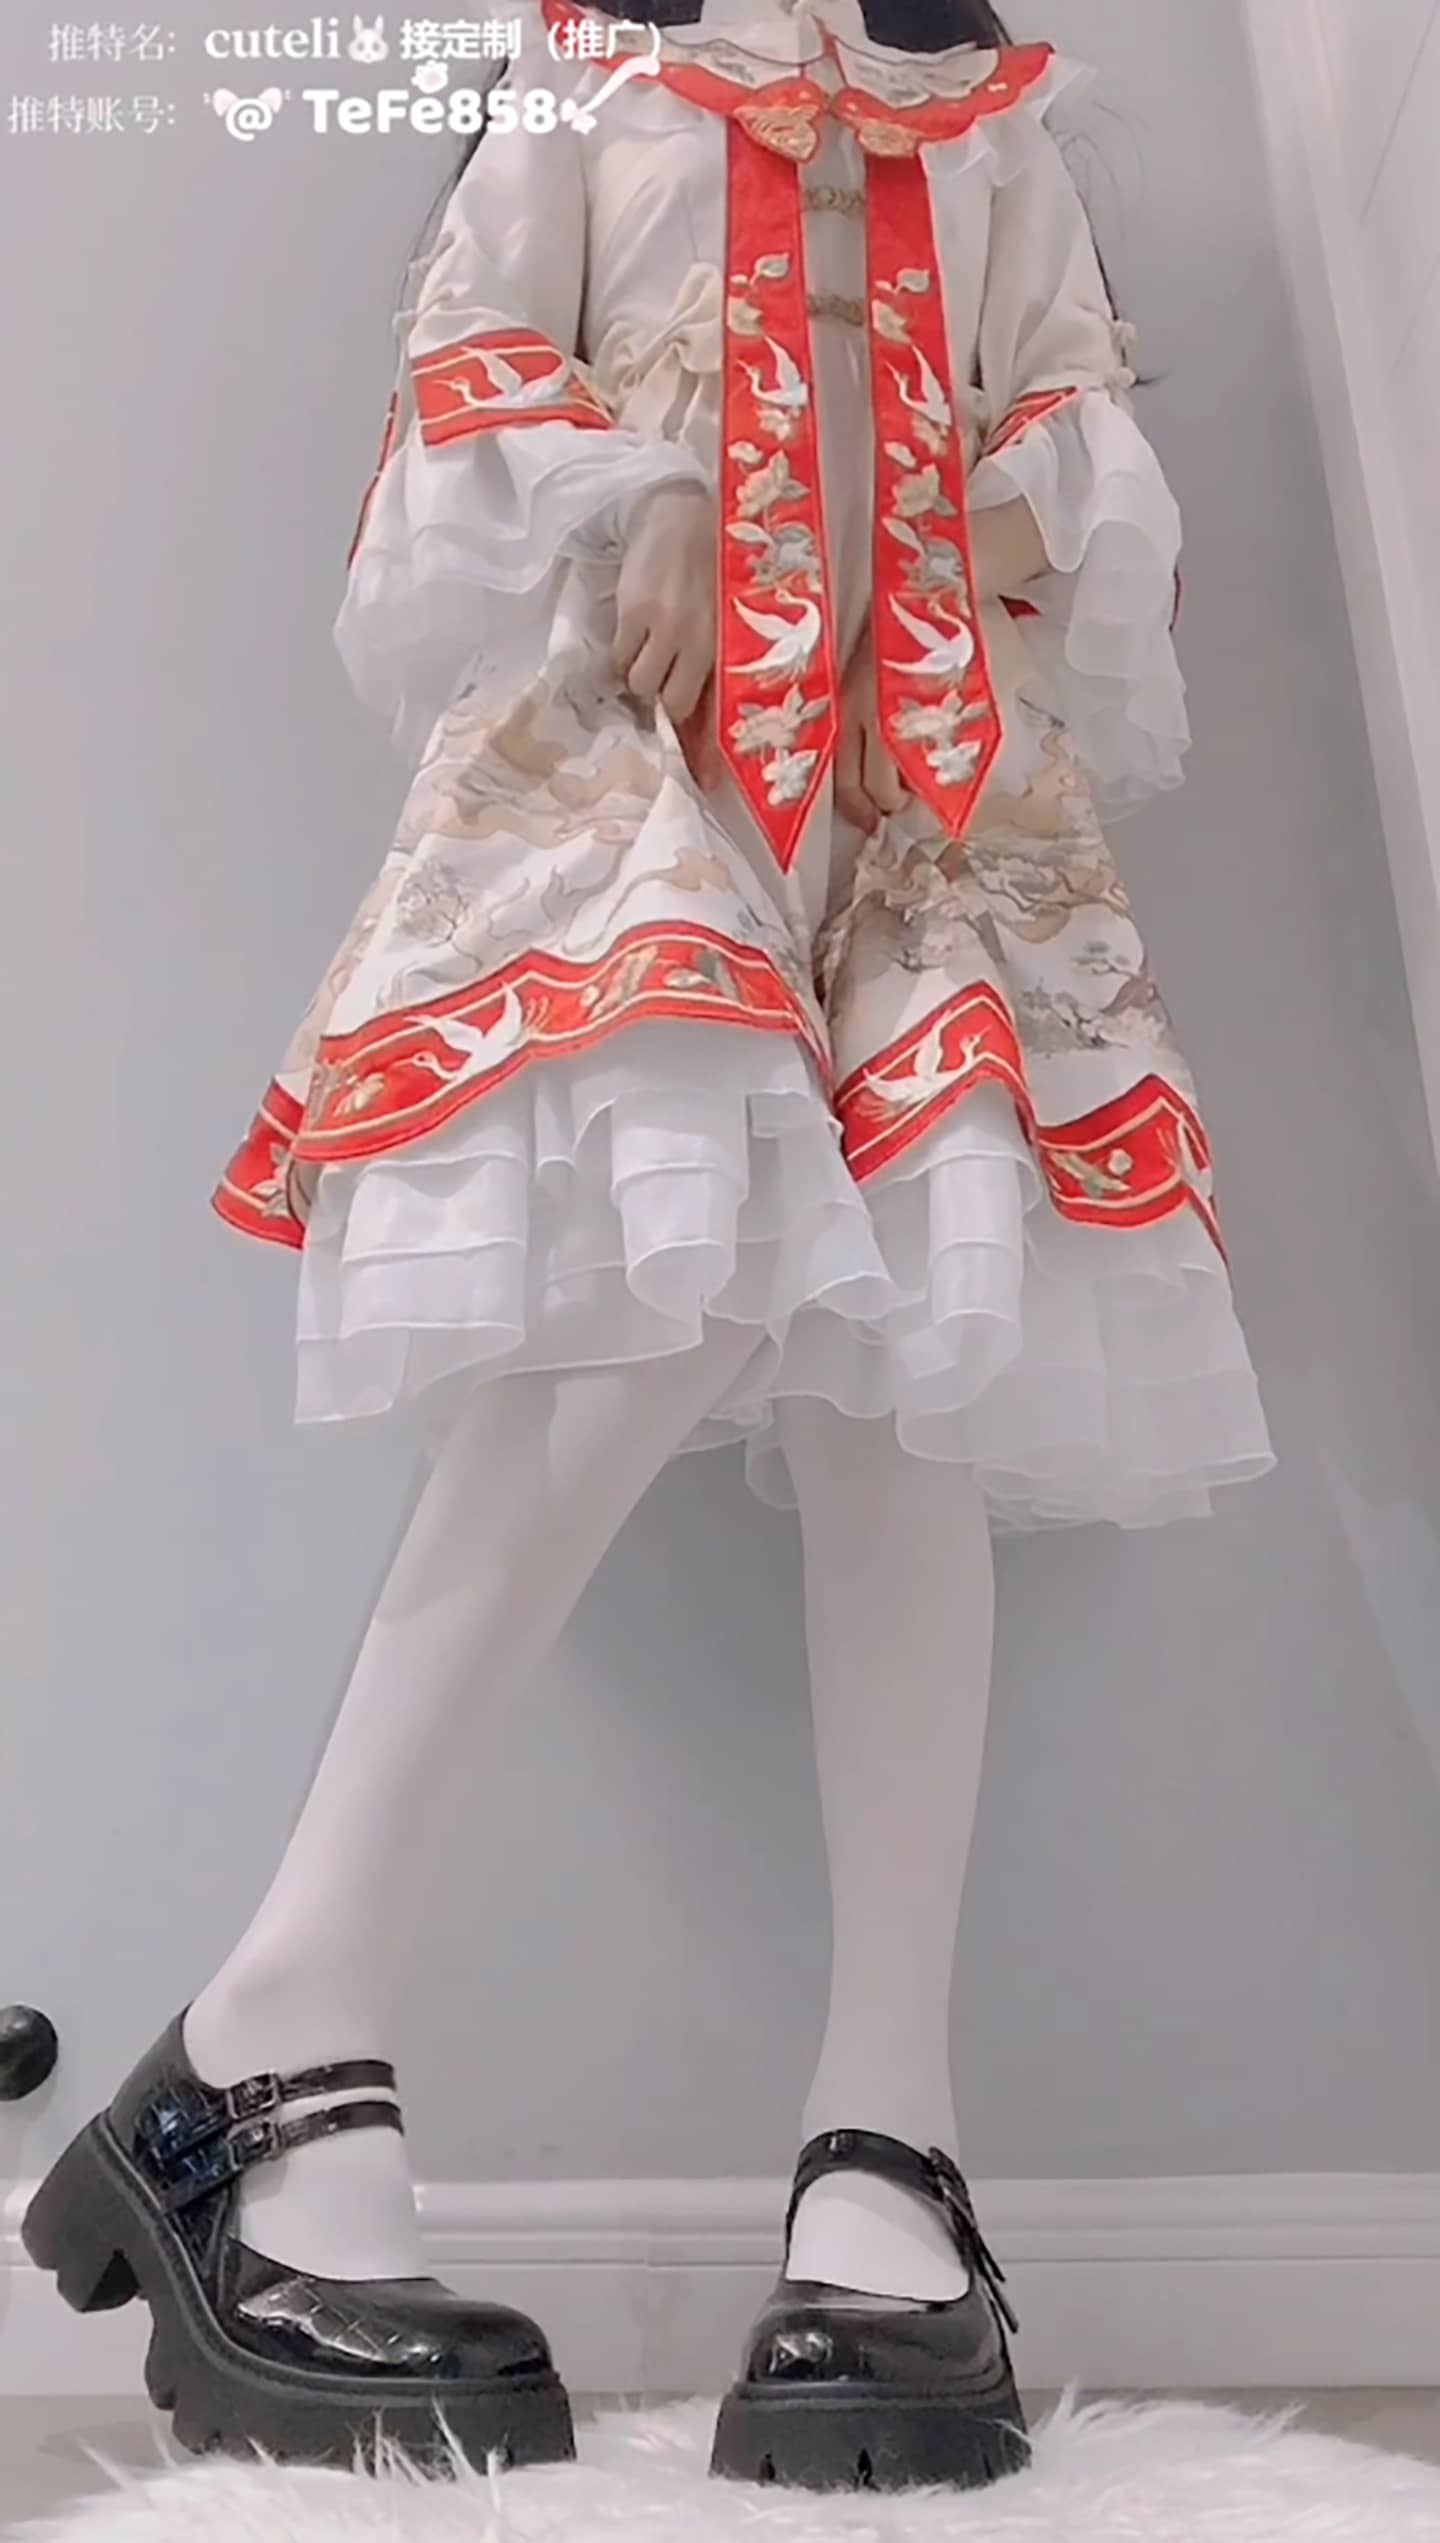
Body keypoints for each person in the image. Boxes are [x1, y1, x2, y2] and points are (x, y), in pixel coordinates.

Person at [24, 0, 1274, 2493]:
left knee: (910, 1384)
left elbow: (1072, 417)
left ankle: (878, 2141)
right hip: (653, 756)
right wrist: (657, 492)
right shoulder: (592, 75)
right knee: (667, 1279)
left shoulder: (998, 117)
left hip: (917, 794)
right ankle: (280, 2022)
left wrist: (964, 544)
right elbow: (472, 359)